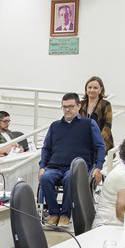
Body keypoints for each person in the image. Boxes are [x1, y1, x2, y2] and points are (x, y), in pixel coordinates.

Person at [39, 92, 106, 227]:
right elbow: (46, 148)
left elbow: (100, 147)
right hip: (55, 167)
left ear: (78, 106)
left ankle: (65, 215)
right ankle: (54, 213)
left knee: (71, 178)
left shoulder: (89, 124)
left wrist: (98, 167)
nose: (67, 110)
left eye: (71, 106)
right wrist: (42, 167)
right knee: (45, 178)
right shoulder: (55, 126)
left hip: (77, 168)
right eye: (64, 107)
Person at [82, 76, 114, 151]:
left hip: (102, 143)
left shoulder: (106, 104)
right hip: (84, 143)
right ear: (86, 89)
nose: (92, 90)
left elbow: (108, 126)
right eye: (89, 87)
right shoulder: (80, 104)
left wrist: (97, 139)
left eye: (95, 88)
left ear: (100, 90)